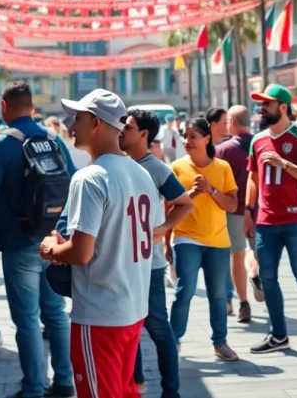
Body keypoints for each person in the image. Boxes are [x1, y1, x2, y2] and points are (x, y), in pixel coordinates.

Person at [40, 90, 166, 398]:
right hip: (132, 307)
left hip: (100, 313)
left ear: (96, 123)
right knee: (124, 391)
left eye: (78, 118)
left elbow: (81, 253)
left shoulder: (90, 177)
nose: (71, 124)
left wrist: (50, 249)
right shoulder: (141, 172)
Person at [0, 81, 76, 398]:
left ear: (4, 106)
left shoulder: (2, 144)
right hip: (55, 239)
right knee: (55, 314)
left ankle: (32, 388)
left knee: (27, 319)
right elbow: (71, 181)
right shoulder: (54, 139)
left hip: (19, 241)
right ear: (31, 107)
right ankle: (65, 381)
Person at [246, 85, 297, 359]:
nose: (260, 108)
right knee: (267, 278)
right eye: (260, 104)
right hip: (265, 222)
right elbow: (253, 178)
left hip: (295, 220)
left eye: (266, 104)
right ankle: (278, 335)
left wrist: (285, 165)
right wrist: (248, 211)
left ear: (282, 107)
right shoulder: (257, 140)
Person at [120, 109, 194, 398]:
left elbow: (185, 203)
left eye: (128, 126)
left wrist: (162, 229)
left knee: (158, 328)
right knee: (129, 327)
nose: (121, 131)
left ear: (143, 134)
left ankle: (171, 391)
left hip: (149, 265)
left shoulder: (156, 168)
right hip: (124, 263)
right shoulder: (120, 164)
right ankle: (135, 384)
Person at [168, 116, 240, 362]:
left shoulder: (222, 168)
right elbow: (169, 207)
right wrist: (192, 192)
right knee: (184, 291)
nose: (187, 141)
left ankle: (220, 343)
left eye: (193, 136)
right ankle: (173, 341)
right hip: (186, 238)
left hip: (218, 242)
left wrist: (211, 190)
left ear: (206, 138)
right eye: (185, 136)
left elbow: (232, 205)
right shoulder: (176, 167)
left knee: (218, 295)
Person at [215, 106, 256, 322]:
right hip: (261, 210)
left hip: (235, 212)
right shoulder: (262, 143)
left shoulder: (224, 150)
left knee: (236, 256)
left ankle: (243, 303)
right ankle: (256, 272)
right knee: (261, 254)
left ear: (232, 122)